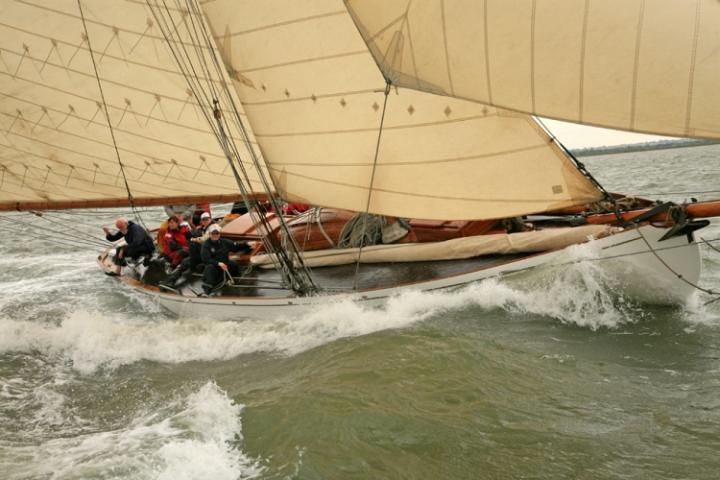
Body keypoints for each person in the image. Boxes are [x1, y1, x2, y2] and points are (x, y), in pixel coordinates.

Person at [160, 212, 213, 287]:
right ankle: (172, 271)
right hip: (174, 254)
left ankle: (172, 278)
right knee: (184, 256)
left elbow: (194, 236)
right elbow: (173, 246)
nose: (171, 224)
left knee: (186, 258)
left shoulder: (211, 228)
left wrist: (193, 236)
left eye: (206, 219)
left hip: (197, 252)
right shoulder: (168, 234)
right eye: (170, 223)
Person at [200, 224, 251, 295]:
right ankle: (207, 289)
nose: (215, 235)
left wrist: (247, 244)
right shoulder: (206, 245)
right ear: (209, 234)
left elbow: (236, 245)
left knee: (234, 264)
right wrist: (218, 263)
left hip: (225, 264)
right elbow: (205, 259)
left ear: (219, 234)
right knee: (210, 268)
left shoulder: (225, 242)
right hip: (214, 266)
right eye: (213, 233)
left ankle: (235, 278)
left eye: (217, 233)